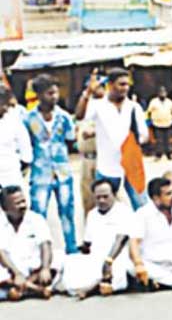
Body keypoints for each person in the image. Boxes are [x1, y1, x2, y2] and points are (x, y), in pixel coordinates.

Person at [75, 68, 149, 209]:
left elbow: (144, 135)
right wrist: (88, 93)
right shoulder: (99, 106)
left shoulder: (134, 107)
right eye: (121, 84)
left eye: (127, 85)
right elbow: (79, 115)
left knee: (141, 206)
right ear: (110, 85)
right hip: (107, 166)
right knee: (106, 207)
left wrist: (131, 142)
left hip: (131, 164)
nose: (125, 88)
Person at [25, 74, 78, 254]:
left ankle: (71, 249)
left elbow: (71, 140)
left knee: (67, 212)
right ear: (39, 95)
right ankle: (38, 251)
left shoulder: (63, 117)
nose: (54, 97)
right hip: (40, 174)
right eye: (49, 93)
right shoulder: (28, 119)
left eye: (55, 93)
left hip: (63, 172)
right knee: (38, 215)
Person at [60, 179, 134, 298]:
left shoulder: (124, 211)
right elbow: (87, 244)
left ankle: (91, 289)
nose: (101, 200)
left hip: (116, 258)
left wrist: (108, 261)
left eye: (105, 196)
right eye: (98, 197)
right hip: (95, 258)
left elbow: (121, 239)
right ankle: (97, 285)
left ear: (114, 195)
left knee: (118, 271)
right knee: (68, 262)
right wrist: (78, 251)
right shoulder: (92, 215)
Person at [0, 185, 62, 301]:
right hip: (10, 271)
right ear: (5, 208)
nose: (23, 206)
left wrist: (45, 268)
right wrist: (17, 273)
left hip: (34, 272)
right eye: (17, 203)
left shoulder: (36, 219)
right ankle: (35, 290)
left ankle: (21, 290)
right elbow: (1, 253)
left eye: (23, 201)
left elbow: (45, 245)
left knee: (59, 258)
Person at [77, 80, 104, 214]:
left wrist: (96, 132)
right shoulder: (87, 103)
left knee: (109, 196)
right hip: (87, 158)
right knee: (88, 198)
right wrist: (87, 94)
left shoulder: (109, 103)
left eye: (100, 86)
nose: (97, 89)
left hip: (104, 158)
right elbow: (79, 115)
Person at [0, 85, 32, 191]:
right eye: (2, 104)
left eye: (6, 104)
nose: (5, 108)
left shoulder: (13, 120)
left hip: (11, 175)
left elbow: (25, 146)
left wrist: (23, 165)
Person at [146, 86, 172, 160]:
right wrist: (151, 120)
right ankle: (158, 155)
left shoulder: (169, 102)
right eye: (161, 92)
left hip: (168, 123)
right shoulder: (153, 102)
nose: (162, 94)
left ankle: (169, 155)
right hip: (157, 124)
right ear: (158, 93)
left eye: (164, 92)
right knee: (159, 141)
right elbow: (149, 112)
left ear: (166, 93)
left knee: (168, 140)